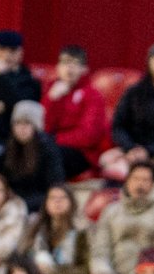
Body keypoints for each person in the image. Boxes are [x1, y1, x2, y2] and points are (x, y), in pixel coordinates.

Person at [90, 162, 154, 274]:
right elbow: (100, 249)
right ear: (127, 181)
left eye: (145, 180)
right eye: (135, 178)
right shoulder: (111, 211)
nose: (139, 184)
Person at [43, 45, 110, 179]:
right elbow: (42, 127)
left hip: (82, 153)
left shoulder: (92, 95)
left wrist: (54, 140)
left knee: (49, 154)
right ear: (58, 67)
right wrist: (51, 100)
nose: (69, 68)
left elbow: (89, 136)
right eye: (64, 63)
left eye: (75, 64)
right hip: (52, 145)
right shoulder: (51, 91)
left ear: (84, 69)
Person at [25, 184, 92, 274]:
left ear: (71, 202)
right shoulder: (35, 230)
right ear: (46, 203)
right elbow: (24, 260)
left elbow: (85, 270)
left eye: (63, 198)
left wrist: (53, 271)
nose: (57, 201)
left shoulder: (82, 232)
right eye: (53, 198)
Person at [0, 100, 64, 213]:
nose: (21, 128)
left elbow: (54, 186)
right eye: (17, 123)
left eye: (27, 123)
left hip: (38, 206)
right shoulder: (7, 149)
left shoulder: (48, 149)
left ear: (36, 126)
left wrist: (22, 204)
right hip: (11, 203)